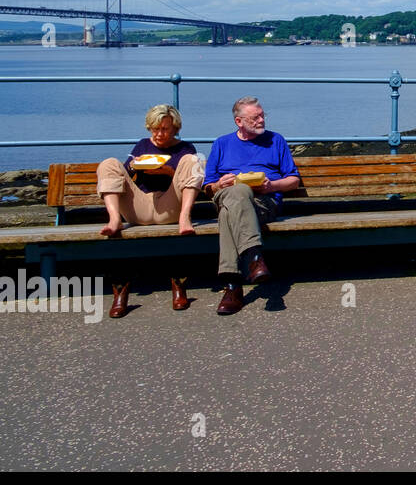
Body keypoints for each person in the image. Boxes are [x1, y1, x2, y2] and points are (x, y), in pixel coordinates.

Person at [96, 104, 203, 319]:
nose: (159, 134)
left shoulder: (184, 148)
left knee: (195, 160)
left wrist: (169, 171)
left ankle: (185, 217)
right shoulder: (143, 145)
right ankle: (115, 218)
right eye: (155, 129)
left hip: (169, 207)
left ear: (175, 128)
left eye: (165, 129)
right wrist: (135, 166)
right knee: (108, 164)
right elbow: (125, 177)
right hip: (140, 207)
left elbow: (188, 175)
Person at [202, 97, 301, 316]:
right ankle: (254, 258)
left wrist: (270, 186)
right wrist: (219, 184)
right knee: (237, 192)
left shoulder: (276, 140)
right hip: (228, 196)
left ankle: (232, 286)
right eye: (255, 117)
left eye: (263, 115)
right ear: (239, 121)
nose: (261, 120)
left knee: (230, 211)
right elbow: (208, 187)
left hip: (264, 202)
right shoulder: (222, 143)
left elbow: (293, 180)